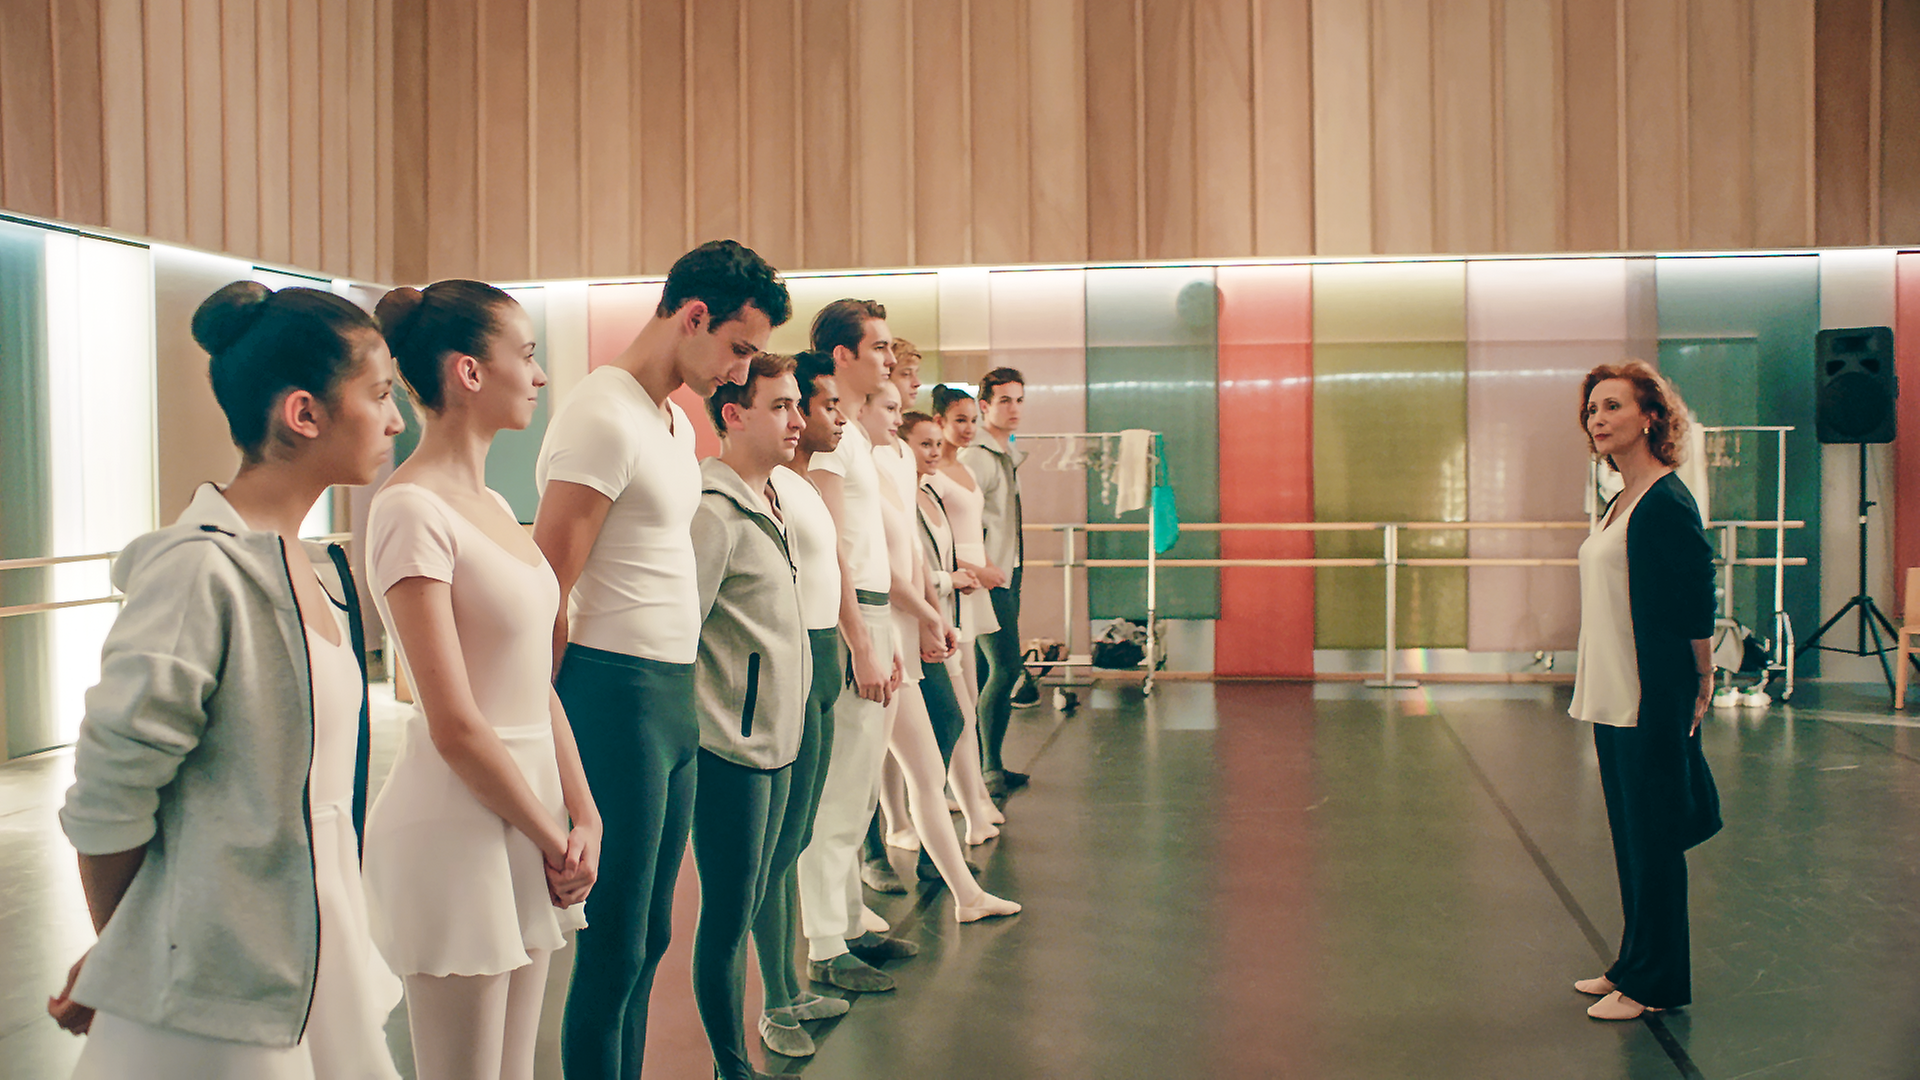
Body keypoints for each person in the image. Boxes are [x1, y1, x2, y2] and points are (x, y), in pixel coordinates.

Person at [51, 281, 406, 1079]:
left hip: (312, 947)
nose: (395, 420)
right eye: (381, 394)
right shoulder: (197, 571)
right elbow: (109, 797)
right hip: (221, 980)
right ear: (304, 413)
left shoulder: (309, 565)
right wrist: (127, 949)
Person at [531, 240, 790, 1078]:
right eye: (738, 350)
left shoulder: (674, 421)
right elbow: (545, 590)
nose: (740, 373)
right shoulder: (599, 416)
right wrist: (544, 737)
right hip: (615, 695)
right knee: (613, 941)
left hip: (673, 698)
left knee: (650, 935)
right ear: (693, 317)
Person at [362, 281, 599, 1080]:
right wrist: (552, 835)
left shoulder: (493, 500)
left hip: (530, 816)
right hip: (456, 826)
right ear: (469, 371)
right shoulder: (409, 511)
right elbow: (455, 723)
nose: (539, 375)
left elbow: (534, 681)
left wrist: (583, 814)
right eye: (526, 355)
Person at [1569, 360, 1720, 1022]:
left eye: (1612, 406)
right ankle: (1633, 962)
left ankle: (1656, 983)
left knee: (1654, 838)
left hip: (1650, 693)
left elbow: (1694, 591)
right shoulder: (1620, 499)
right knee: (1631, 837)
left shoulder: (1666, 500)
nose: (1598, 419)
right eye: (1592, 409)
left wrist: (1704, 673)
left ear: (1650, 416)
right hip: (1612, 691)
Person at [688, 354, 813, 1080]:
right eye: (780, 406)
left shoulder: (770, 500)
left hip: (777, 738)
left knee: (759, 893)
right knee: (729, 917)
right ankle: (730, 1065)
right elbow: (681, 634)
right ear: (733, 415)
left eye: (797, 405)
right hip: (729, 750)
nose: (797, 420)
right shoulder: (712, 512)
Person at [796, 299, 917, 994]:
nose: (889, 359)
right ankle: (824, 941)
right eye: (878, 347)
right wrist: (860, 640)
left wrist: (881, 633)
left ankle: (847, 921)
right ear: (842, 355)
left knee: (860, 789)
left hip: (871, 614)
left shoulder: (851, 434)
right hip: (852, 619)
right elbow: (830, 550)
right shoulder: (831, 437)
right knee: (838, 794)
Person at [865, 385, 1021, 923]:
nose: (932, 450)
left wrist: (933, 616)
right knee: (858, 789)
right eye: (889, 406)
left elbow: (912, 556)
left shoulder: (901, 474)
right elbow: (877, 570)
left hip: (914, 633)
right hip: (882, 639)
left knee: (933, 760)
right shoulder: (858, 469)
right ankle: (842, 911)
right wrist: (935, 605)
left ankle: (965, 892)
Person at [753, 352, 855, 1058]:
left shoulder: (805, 487)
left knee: (795, 838)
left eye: (802, 406)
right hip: (792, 667)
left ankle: (790, 987)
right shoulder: (769, 490)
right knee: (776, 846)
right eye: (791, 406)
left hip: (821, 661)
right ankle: (774, 999)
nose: (813, 418)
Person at [911, 405, 1003, 844]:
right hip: (929, 617)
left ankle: (974, 805)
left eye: (935, 444)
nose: (933, 451)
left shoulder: (929, 492)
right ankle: (958, 810)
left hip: (950, 609)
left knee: (959, 714)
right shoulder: (911, 496)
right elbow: (907, 569)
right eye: (923, 444)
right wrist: (954, 578)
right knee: (952, 718)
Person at [961, 367, 1030, 795]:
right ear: (985, 405)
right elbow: (962, 517)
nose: (1014, 408)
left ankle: (989, 764)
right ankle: (986, 767)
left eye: (1019, 400)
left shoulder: (1005, 452)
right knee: (1006, 668)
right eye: (1005, 400)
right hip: (990, 577)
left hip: (1007, 570)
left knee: (989, 669)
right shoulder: (978, 457)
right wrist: (983, 566)